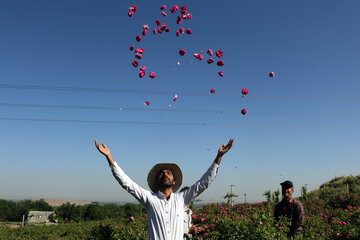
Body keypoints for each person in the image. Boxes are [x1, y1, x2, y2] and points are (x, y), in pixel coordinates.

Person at [95, 138, 234, 240]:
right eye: (161, 173)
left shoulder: (182, 199)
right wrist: (109, 157)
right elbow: (127, 183)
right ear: (156, 181)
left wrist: (219, 156)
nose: (165, 174)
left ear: (174, 182)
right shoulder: (149, 199)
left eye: (168, 173)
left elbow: (204, 182)